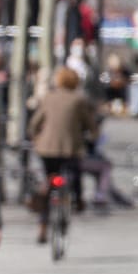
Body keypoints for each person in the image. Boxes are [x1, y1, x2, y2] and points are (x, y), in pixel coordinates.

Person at [28, 66, 98, 239]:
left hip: (46, 148)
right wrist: (93, 138)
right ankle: (78, 200)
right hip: (70, 149)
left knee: (50, 178)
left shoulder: (48, 97)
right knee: (75, 173)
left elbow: (34, 123)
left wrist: (35, 138)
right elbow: (91, 125)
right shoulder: (79, 100)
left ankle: (43, 224)